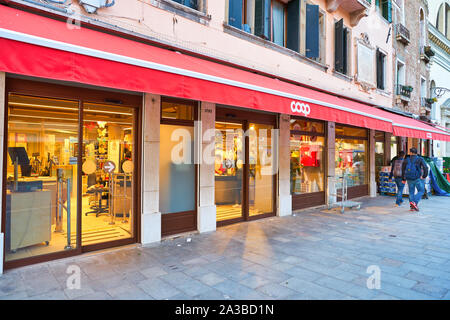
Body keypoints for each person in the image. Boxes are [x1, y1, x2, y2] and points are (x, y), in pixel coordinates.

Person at [401, 147, 428, 212]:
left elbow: (403, 169)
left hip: (409, 178)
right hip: (417, 178)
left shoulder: (406, 159)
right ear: (416, 153)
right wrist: (424, 176)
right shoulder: (420, 159)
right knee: (421, 190)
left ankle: (412, 207)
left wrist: (403, 179)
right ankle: (414, 202)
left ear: (410, 152)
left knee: (411, 192)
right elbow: (425, 167)